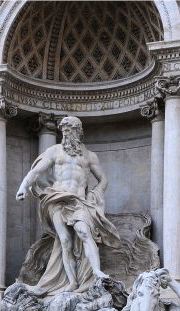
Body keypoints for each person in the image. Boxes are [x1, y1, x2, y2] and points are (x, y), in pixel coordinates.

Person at [15, 116, 120, 295]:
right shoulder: (55, 151)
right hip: (57, 198)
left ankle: (96, 272)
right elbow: (36, 171)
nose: (65, 134)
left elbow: (103, 179)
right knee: (64, 241)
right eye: (63, 131)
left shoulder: (89, 156)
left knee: (84, 232)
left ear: (78, 131)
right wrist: (23, 186)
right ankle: (71, 282)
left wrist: (96, 194)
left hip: (79, 201)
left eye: (69, 130)